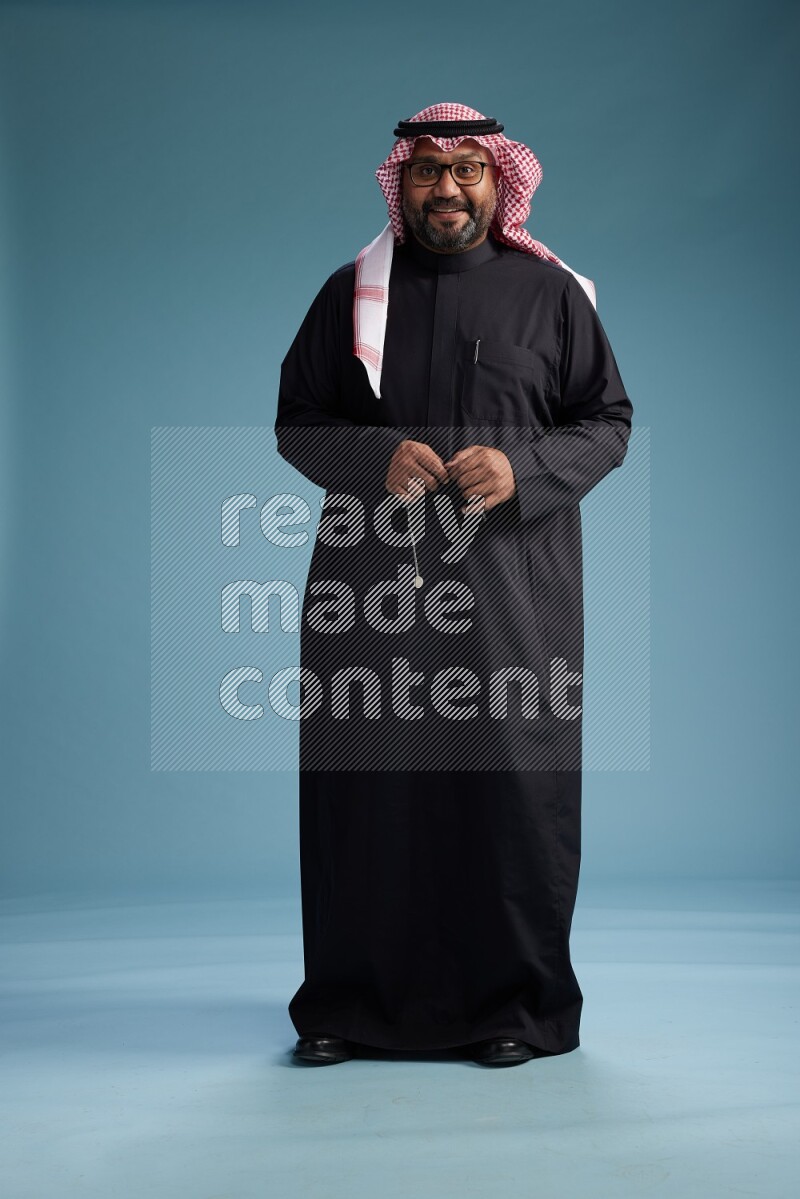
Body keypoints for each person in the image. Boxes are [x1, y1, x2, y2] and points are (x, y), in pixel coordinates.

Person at [275, 102, 633, 1067]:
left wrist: (525, 472)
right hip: (372, 594)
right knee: (367, 794)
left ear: (498, 181)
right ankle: (351, 1004)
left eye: (467, 170)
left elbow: (608, 425)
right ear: (403, 181)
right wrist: (373, 457)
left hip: (517, 596)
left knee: (512, 795)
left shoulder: (553, 299)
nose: (447, 188)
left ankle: (511, 1006)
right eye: (428, 170)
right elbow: (297, 422)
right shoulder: (348, 294)